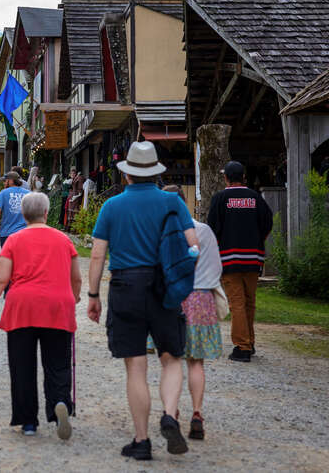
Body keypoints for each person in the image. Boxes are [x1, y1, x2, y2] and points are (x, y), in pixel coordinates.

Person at [87, 141, 199, 460]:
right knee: (171, 358)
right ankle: (170, 414)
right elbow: (193, 247)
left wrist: (94, 295)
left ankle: (141, 441)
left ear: (128, 175)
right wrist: (183, 279)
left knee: (135, 366)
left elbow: (97, 255)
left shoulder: (112, 206)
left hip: (126, 286)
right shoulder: (173, 202)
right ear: (156, 174)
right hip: (164, 287)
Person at [0, 192, 82, 439]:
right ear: (46, 213)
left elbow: (0, 279)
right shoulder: (63, 240)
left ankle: (28, 421)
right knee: (58, 363)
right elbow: (76, 277)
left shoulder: (14, 241)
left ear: (23, 215)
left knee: (22, 366)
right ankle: (60, 402)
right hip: (57, 306)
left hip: (22, 307)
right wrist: (74, 297)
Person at [159, 185, 223, 441]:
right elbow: (217, 267)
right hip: (202, 297)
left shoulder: (162, 230)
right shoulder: (204, 230)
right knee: (196, 362)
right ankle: (197, 413)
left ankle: (171, 412)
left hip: (174, 297)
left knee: (169, 361)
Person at [207, 160, 273, 362]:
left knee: (236, 303)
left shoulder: (220, 198)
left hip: (230, 258)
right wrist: (257, 243)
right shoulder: (256, 198)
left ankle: (242, 347)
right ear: (243, 177)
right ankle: (249, 342)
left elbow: (213, 228)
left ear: (226, 178)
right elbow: (267, 223)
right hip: (253, 258)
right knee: (249, 302)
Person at [0, 171, 31, 247]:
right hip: (24, 233)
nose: (4, 183)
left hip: (7, 233)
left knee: (7, 258)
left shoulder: (3, 193)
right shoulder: (28, 193)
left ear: (10, 181)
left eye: (5, 181)